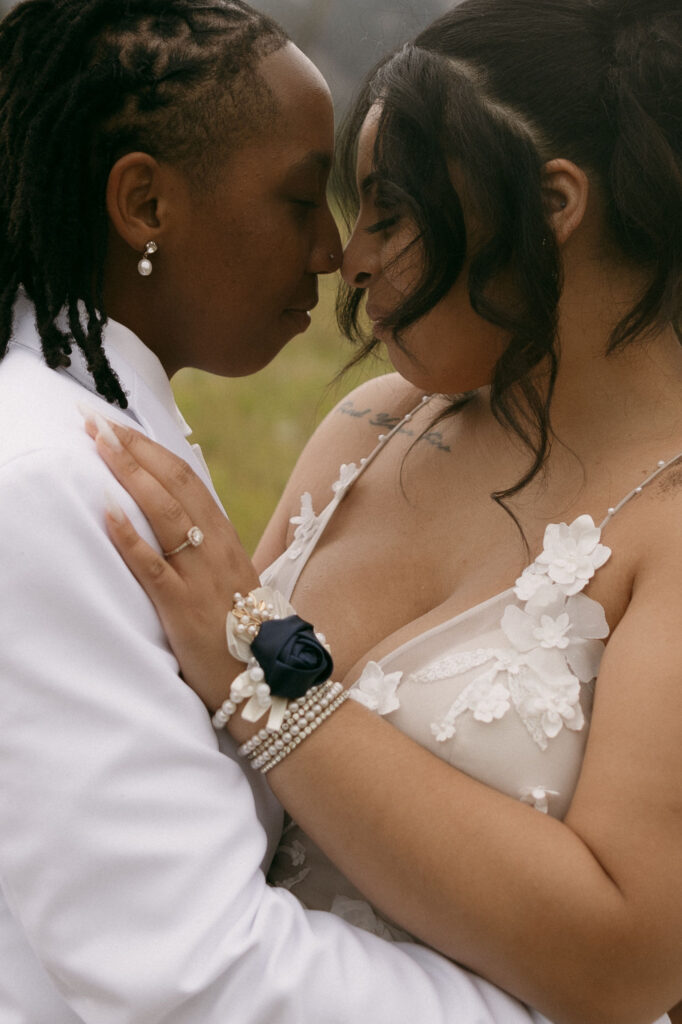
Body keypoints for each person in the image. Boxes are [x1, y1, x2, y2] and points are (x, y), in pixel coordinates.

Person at [0, 1, 608, 1022]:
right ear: (145, 204)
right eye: (298, 200)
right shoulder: (49, 485)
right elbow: (190, 969)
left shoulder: (95, 450)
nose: (333, 253)